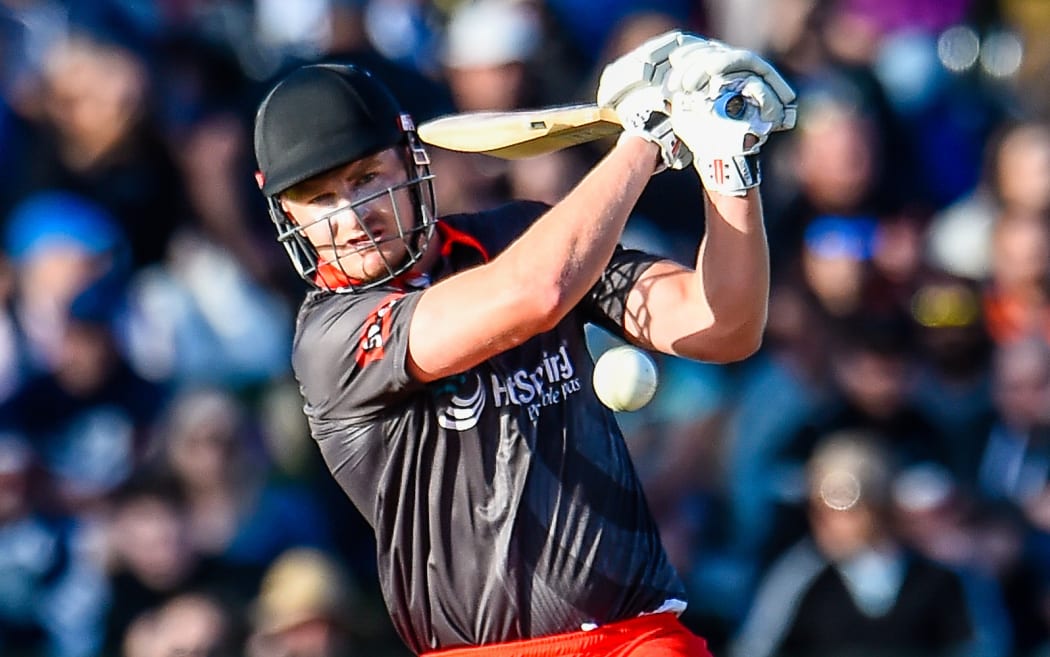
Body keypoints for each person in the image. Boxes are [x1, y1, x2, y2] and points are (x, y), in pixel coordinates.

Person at [251, 30, 795, 657]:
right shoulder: (331, 334)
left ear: (410, 161)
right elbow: (534, 293)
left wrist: (729, 169)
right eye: (319, 199)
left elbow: (722, 324)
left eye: (368, 178)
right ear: (288, 215)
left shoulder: (521, 234)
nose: (351, 215)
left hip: (639, 638)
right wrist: (644, 138)